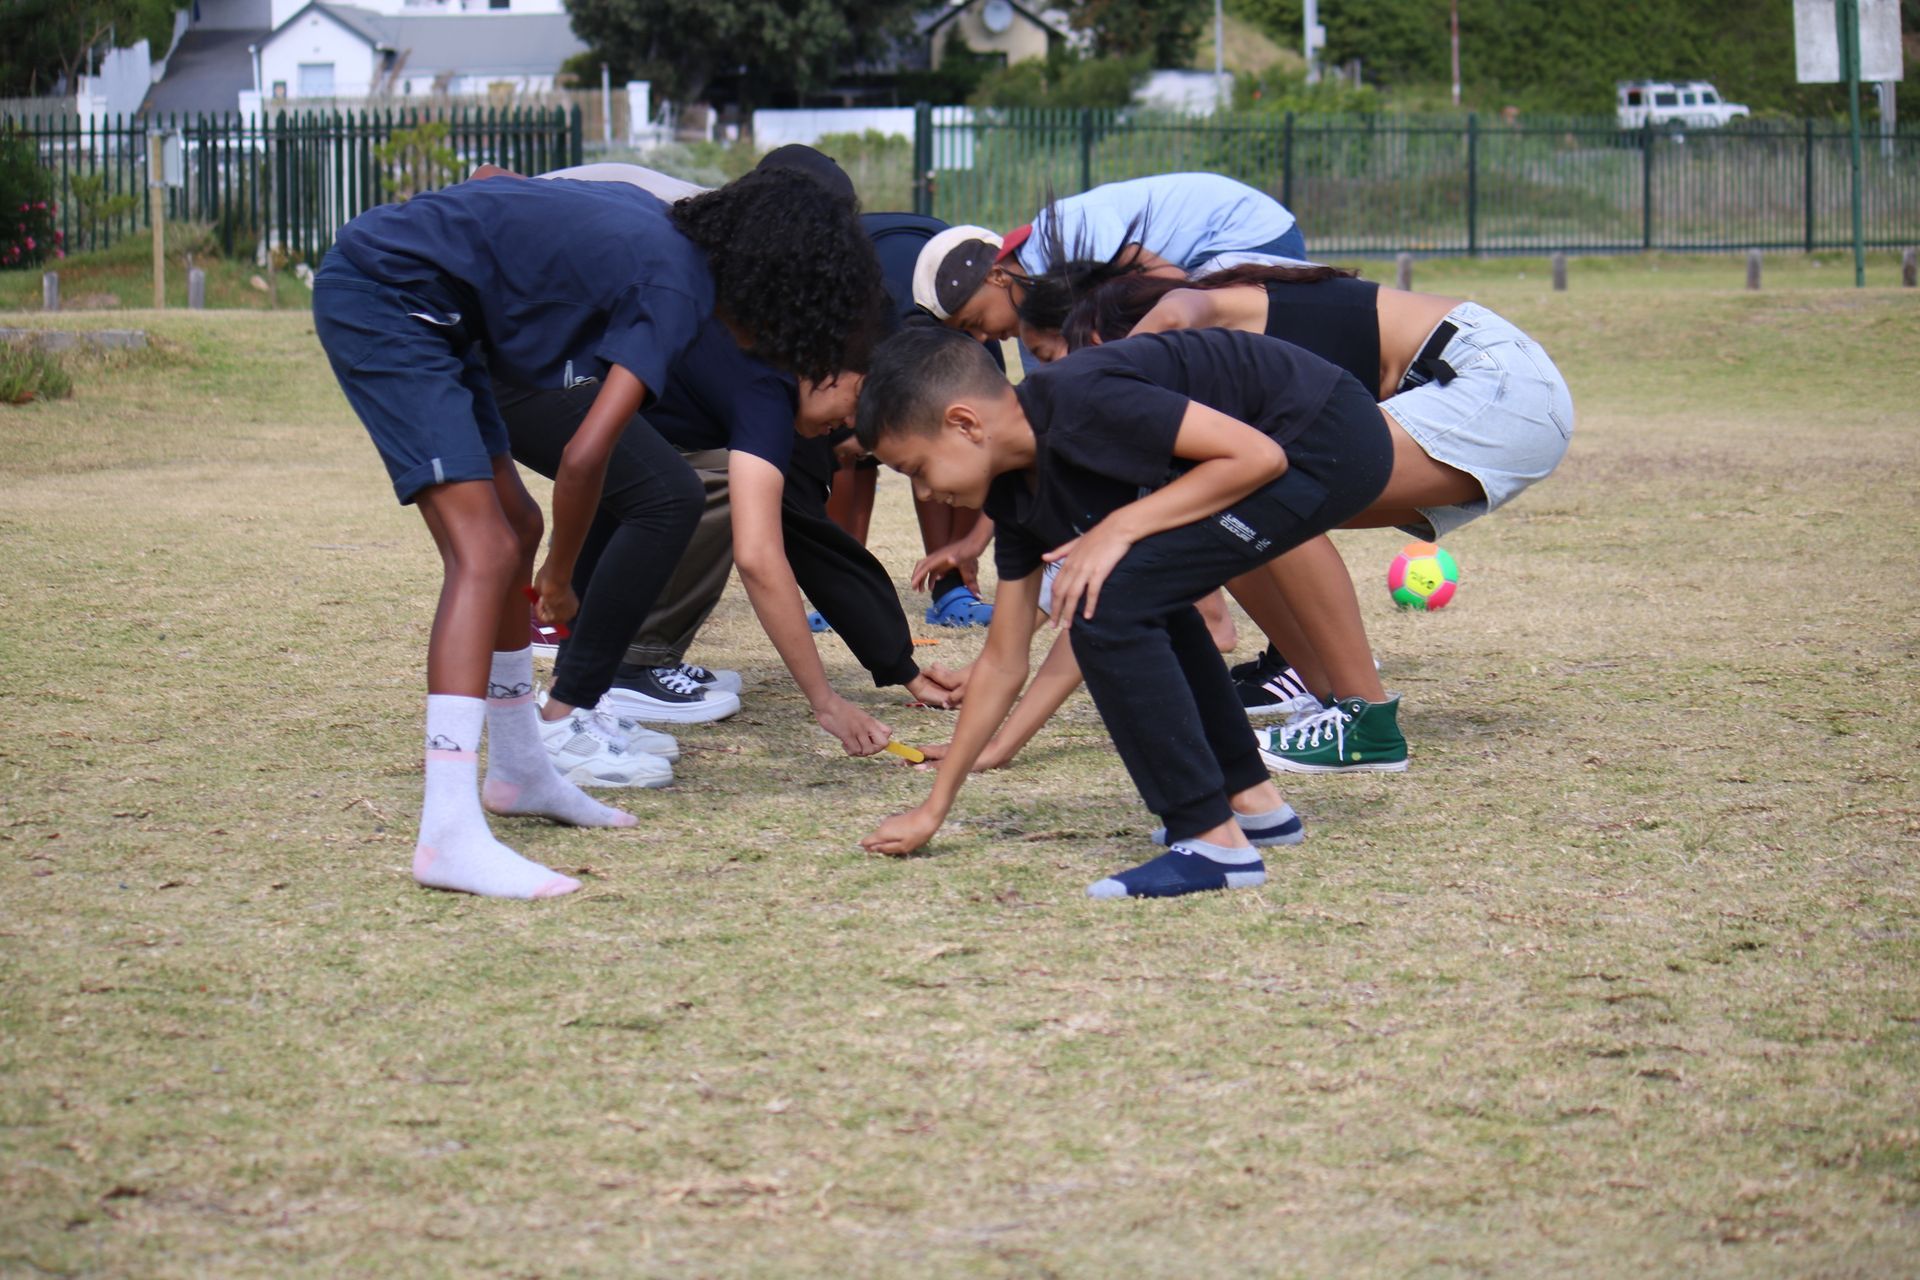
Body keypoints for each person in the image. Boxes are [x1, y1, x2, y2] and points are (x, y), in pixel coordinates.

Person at [311, 168, 879, 899]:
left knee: (516, 524)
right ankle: (447, 834)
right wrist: (560, 578)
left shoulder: (665, 234)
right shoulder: (675, 286)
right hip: (389, 297)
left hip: (456, 320)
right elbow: (585, 454)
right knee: (485, 550)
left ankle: (518, 771)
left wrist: (549, 557)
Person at [853, 324, 1395, 899]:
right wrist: (934, 808)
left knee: (1109, 600)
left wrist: (1119, 527)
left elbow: (1256, 455)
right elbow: (1003, 661)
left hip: (1323, 436)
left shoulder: (1082, 401)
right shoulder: (1016, 495)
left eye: (916, 469)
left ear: (965, 423)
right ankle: (1253, 803)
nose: (925, 493)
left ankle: (1212, 842)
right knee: (1139, 593)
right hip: (1281, 449)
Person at [1064, 262, 1574, 770]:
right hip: (1490, 391)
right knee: (1224, 516)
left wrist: (1115, 373)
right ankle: (1329, 701)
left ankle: (1366, 724)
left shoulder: (1211, 306)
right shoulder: (1221, 358)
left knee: (1268, 498)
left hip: (1493, 386)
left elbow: (1180, 309)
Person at [909, 173, 1304, 353]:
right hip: (1210, 259)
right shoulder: (1038, 296)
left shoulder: (1059, 235)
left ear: (996, 275)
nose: (982, 338)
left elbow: (1172, 283)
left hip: (1253, 233)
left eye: (974, 323)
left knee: (1211, 347)